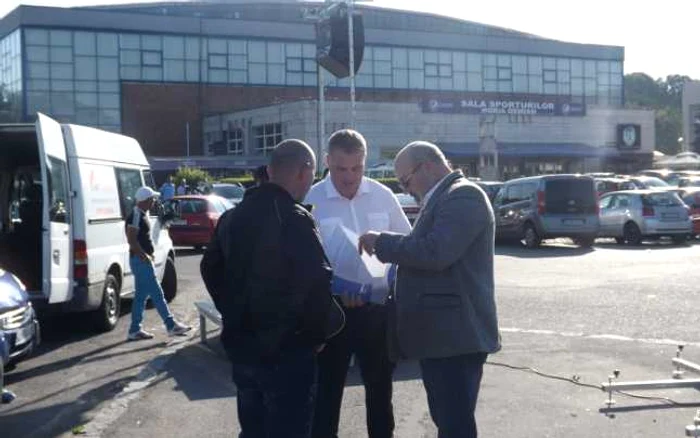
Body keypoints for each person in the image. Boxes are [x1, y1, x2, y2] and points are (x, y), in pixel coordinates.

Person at [200, 139, 343, 438]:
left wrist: (232, 310)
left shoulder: (232, 217)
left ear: (269, 170)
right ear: (305, 172)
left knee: (253, 429)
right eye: (313, 175)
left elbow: (210, 267)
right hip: (288, 351)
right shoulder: (294, 217)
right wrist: (316, 336)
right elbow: (318, 279)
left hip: (244, 347)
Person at [358, 141, 500, 438]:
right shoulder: (445, 197)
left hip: (456, 338)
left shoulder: (464, 196)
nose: (405, 188)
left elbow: (436, 251)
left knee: (454, 425)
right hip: (444, 337)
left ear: (427, 166)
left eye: (405, 180)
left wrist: (382, 243)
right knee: (448, 422)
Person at [305, 129, 411, 438]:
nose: (349, 177)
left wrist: (388, 277)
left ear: (365, 162)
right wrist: (333, 289)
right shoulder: (311, 200)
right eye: (340, 168)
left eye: (357, 168)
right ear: (327, 162)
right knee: (327, 392)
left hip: (377, 311)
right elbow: (299, 263)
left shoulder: (383, 195)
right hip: (330, 313)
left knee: (380, 391)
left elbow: (406, 245)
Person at [125, 186, 191, 341]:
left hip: (140, 260)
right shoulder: (136, 215)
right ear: (145, 200)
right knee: (157, 293)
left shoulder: (140, 214)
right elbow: (131, 239)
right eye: (152, 199)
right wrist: (144, 256)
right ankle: (170, 325)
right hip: (140, 261)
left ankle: (135, 329)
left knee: (141, 296)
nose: (154, 201)